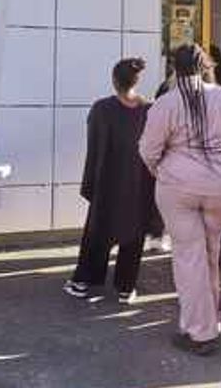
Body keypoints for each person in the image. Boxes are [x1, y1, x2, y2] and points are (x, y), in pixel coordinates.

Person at [139, 44, 221, 356]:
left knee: (189, 257)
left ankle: (200, 331)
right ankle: (213, 319)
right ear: (204, 66)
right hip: (220, 183)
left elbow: (148, 149)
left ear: (174, 67)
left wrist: (163, 170)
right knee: (214, 255)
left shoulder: (166, 102)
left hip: (177, 184)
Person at [64, 57, 155, 304]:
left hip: (106, 182)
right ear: (138, 80)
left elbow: (94, 148)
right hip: (139, 183)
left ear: (114, 81)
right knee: (134, 233)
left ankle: (84, 281)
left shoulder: (102, 109)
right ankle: (126, 287)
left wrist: (91, 182)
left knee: (98, 233)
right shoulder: (150, 109)